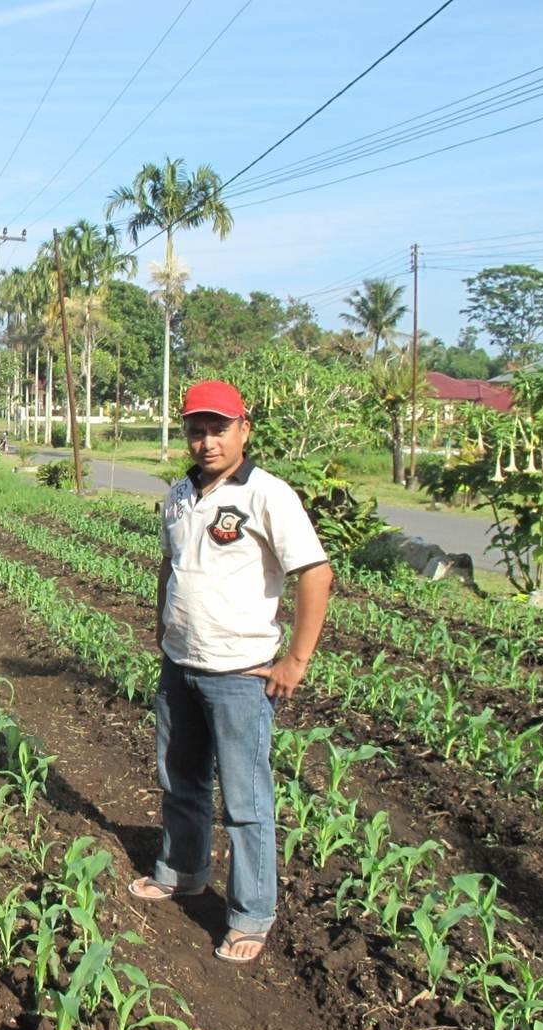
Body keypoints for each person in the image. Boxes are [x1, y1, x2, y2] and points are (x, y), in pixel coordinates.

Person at [129, 379, 332, 964]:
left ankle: (251, 913)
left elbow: (314, 573)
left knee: (245, 798)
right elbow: (171, 565)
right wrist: (162, 624)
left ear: (243, 429)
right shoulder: (177, 494)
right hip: (181, 663)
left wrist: (296, 659)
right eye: (196, 429)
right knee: (180, 779)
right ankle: (183, 869)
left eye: (219, 428)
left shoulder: (268, 494)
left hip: (242, 673)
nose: (207, 440)